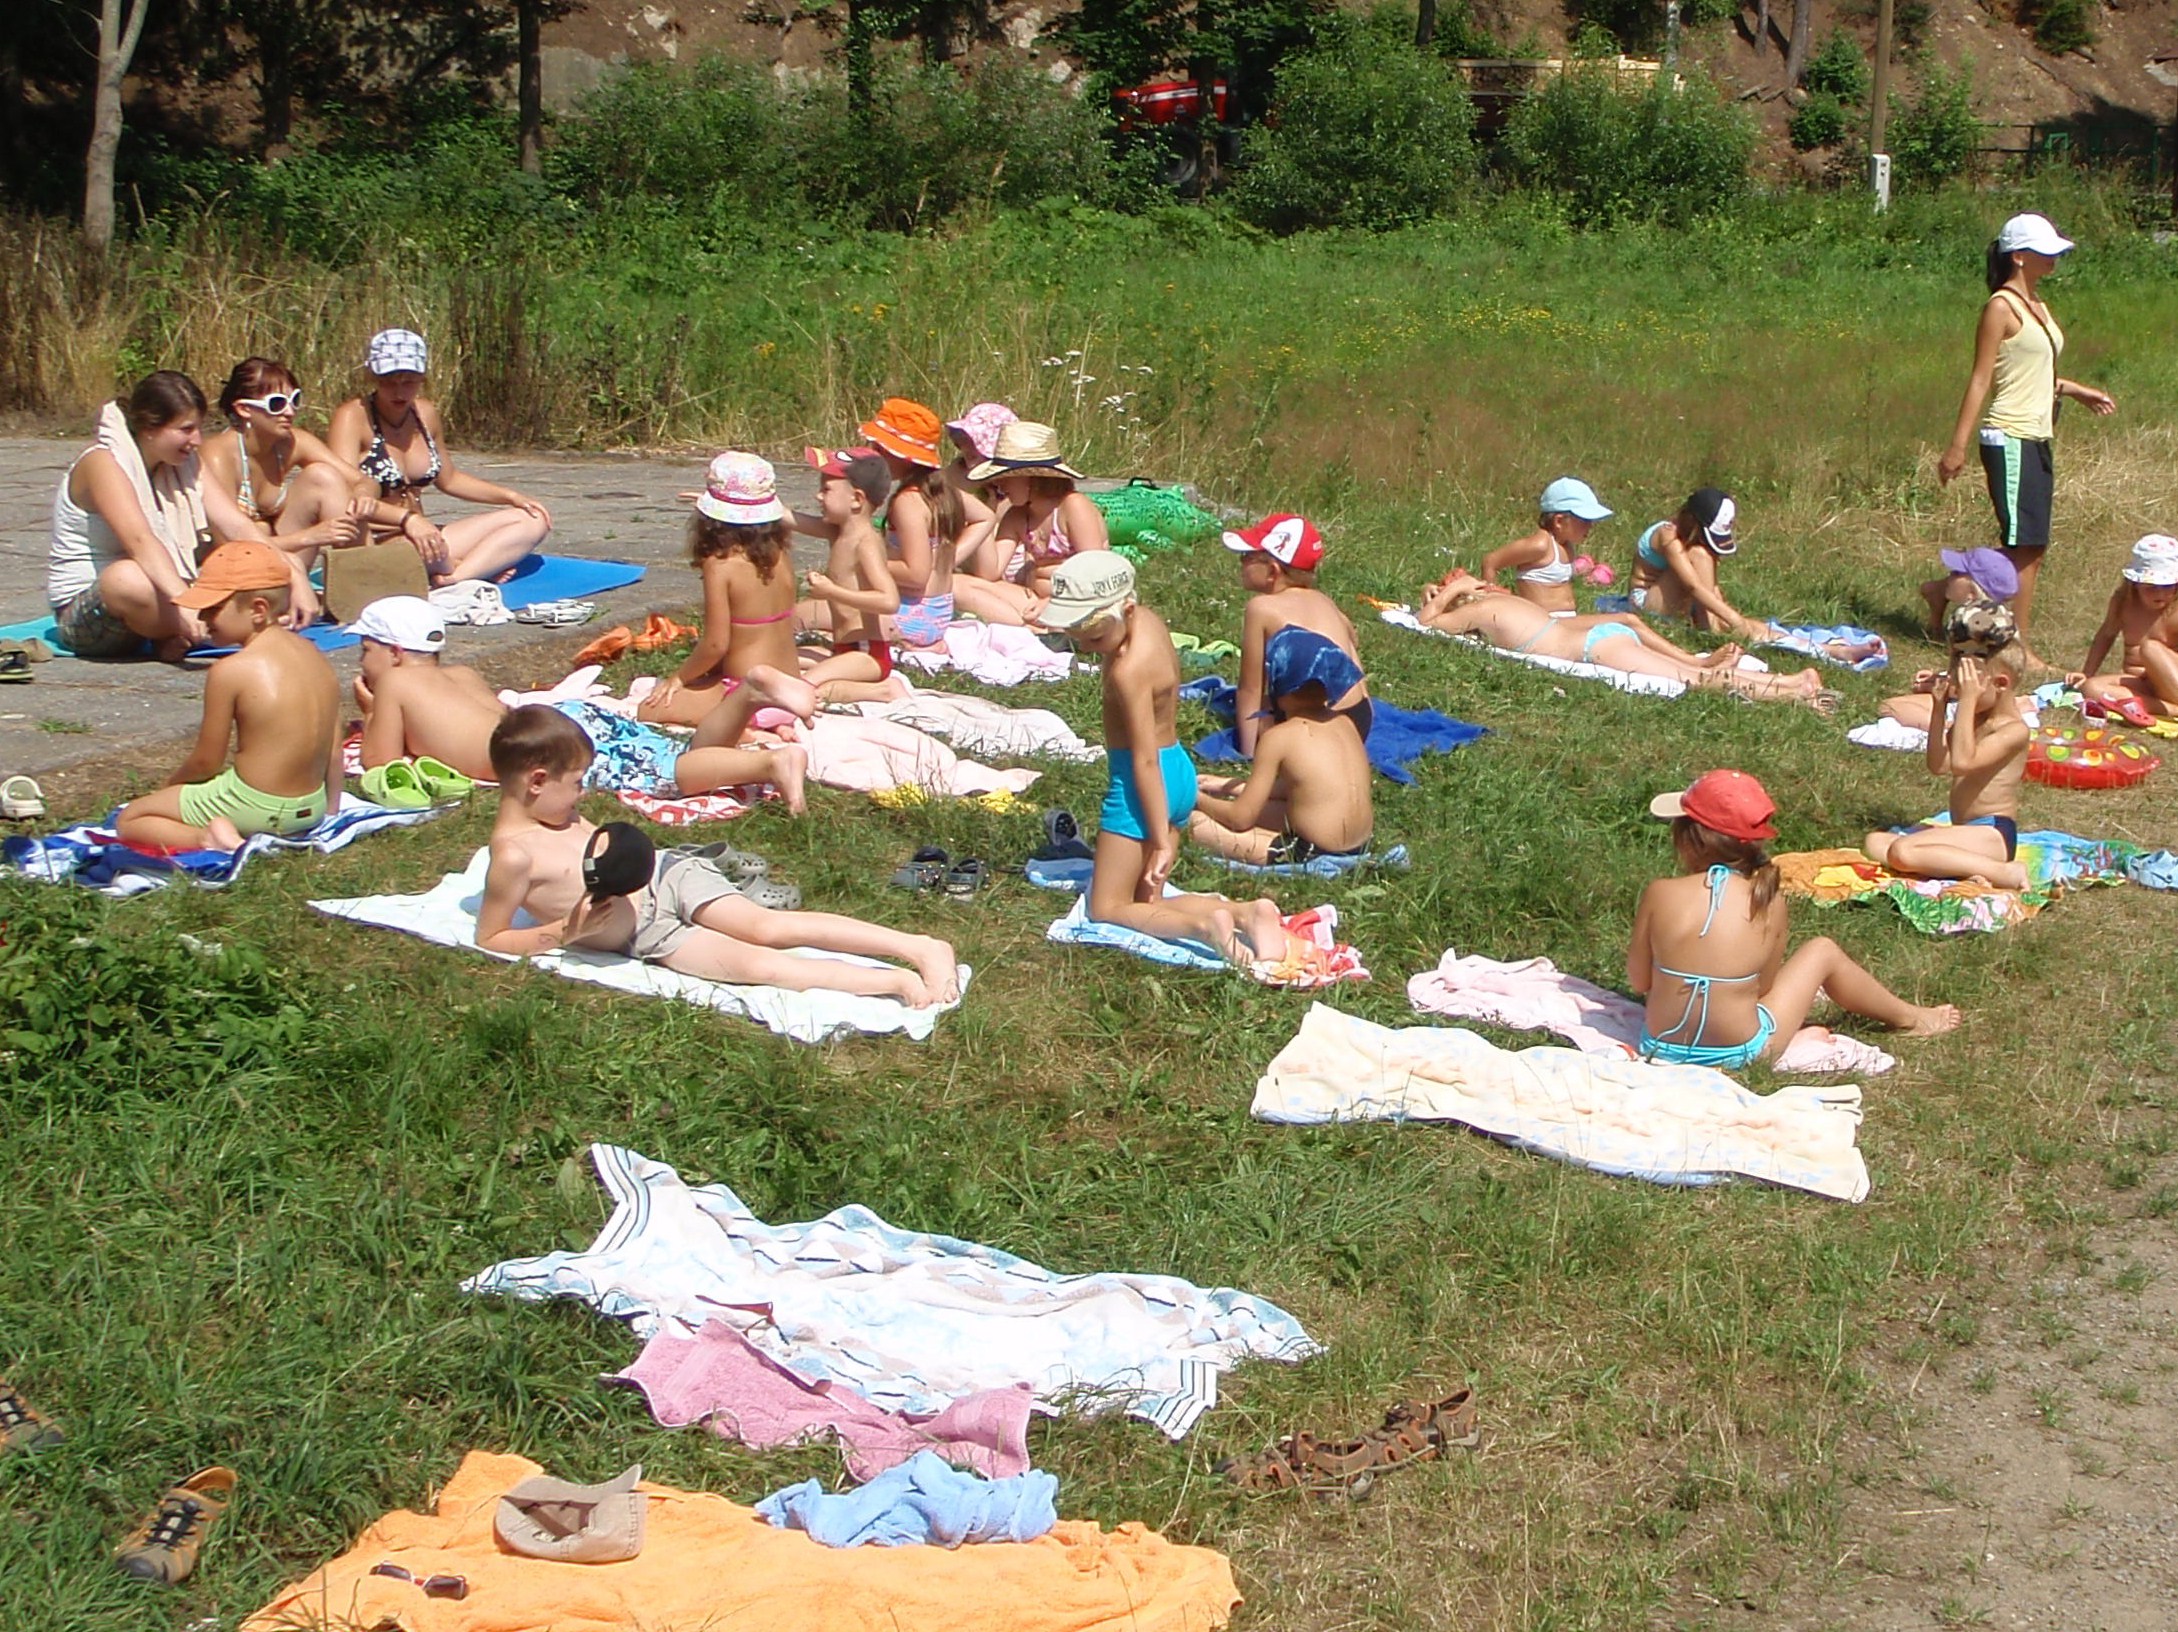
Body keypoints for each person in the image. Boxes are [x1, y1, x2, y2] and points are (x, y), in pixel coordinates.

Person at [474, 704, 957, 1005]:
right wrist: (565, 932)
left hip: (668, 874)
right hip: (648, 935)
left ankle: (920, 947)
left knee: (766, 927)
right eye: (577, 783)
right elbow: (492, 937)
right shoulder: (515, 857)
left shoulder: (553, 810)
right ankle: (893, 983)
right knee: (759, 967)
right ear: (537, 781)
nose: (582, 794)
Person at [1037, 553, 1297, 966]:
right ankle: (1245, 914)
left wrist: (1159, 841)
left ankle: (1204, 927)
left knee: (1107, 906)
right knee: (1148, 900)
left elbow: (1143, 760)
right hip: (1177, 769)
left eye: (1095, 639)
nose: (1086, 648)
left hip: (1142, 785)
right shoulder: (1149, 623)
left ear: (1126, 610)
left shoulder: (1127, 671)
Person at [1629, 769, 1961, 1069]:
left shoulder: (1660, 892)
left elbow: (1639, 981)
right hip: (1742, 1051)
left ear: (1691, 839)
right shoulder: (1768, 900)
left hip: (1661, 1044)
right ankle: (1911, 1018)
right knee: (1822, 950)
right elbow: (1764, 988)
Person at [1936, 212, 2116, 665]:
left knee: (2032, 545)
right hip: (2009, 436)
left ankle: (1946, 589)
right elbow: (1982, 379)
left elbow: (2032, 372)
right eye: (2044, 251)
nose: (2054, 258)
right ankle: (2015, 644)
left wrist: (2074, 390)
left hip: (2037, 435)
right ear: (2018, 256)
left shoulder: (2038, 304)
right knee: (2026, 548)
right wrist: (1957, 446)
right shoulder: (2001, 307)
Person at [48, 370, 319, 661]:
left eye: (199, 428)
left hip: (165, 591)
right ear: (149, 428)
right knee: (126, 578)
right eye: (186, 429)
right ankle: (227, 628)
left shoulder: (186, 463)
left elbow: (237, 526)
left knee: (257, 564)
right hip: (94, 611)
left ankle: (191, 631)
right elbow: (141, 543)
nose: (197, 440)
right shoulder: (102, 462)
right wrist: (189, 604)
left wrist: (294, 573)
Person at [114, 542, 340, 852]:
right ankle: (239, 830)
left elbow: (207, 762)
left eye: (214, 608)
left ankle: (210, 839)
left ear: (258, 610)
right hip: (311, 807)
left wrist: (169, 789)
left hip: (254, 806)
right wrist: (329, 810)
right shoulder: (314, 655)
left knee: (132, 818)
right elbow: (334, 748)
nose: (203, 617)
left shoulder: (231, 669)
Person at [1416, 569, 1836, 709]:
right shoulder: (1506, 603)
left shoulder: (1481, 611)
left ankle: (1793, 692)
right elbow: (1427, 618)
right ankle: (1790, 682)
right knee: (1691, 672)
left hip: (1595, 648)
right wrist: (1451, 592)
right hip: (1602, 636)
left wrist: (1449, 595)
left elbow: (1425, 623)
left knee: (1695, 681)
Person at [325, 328, 553, 585]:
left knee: (533, 519)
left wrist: (511, 496)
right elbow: (345, 498)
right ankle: (473, 567)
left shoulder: (425, 414)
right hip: (377, 540)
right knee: (442, 553)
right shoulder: (353, 417)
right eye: (388, 381)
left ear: (422, 378)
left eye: (408, 381)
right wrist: (408, 520)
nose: (399, 392)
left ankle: (455, 577)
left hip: (423, 534)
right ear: (372, 377)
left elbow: (450, 479)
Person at [1865, 601, 2031, 891]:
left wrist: (1966, 700)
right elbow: (1939, 765)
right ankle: (1964, 869)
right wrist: (1940, 708)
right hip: (1965, 831)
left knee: (1902, 852)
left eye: (1969, 685)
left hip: (1993, 834)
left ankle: (2005, 872)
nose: (1960, 689)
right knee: (1876, 843)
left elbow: (1963, 763)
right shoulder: (1973, 721)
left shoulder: (2014, 731)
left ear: (2001, 684)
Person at [637, 453, 807, 728]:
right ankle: (772, 726)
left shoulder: (720, 565)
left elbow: (715, 645)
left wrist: (678, 678)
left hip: (749, 696)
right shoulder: (779, 553)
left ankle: (747, 732)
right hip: (792, 689)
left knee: (648, 709)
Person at [1191, 628, 1373, 866]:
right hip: (1359, 844)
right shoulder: (1345, 722)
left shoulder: (1279, 737)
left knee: (1195, 823)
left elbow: (1240, 818)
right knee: (1278, 808)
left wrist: (1196, 798)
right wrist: (1229, 786)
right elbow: (1306, 787)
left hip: (1311, 851)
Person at [198, 358, 380, 568]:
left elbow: (364, 481)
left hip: (282, 556)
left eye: (295, 400)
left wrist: (364, 494)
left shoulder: (292, 442)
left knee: (322, 477)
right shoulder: (218, 454)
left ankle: (366, 573)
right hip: (234, 563)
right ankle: (366, 573)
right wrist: (310, 536)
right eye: (276, 404)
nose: (290, 412)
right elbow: (227, 544)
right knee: (262, 530)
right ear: (244, 409)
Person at [1224, 513, 1370, 756]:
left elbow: (1250, 690)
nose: (1241, 562)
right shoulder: (1324, 601)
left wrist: (1248, 752)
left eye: (1247, 556)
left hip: (1315, 727)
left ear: (1272, 571)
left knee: (1262, 708)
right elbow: (1353, 639)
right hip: (1359, 718)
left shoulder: (1260, 608)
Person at [951, 422, 1110, 626]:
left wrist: (1053, 602)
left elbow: (1096, 570)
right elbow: (989, 573)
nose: (999, 484)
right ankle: (1033, 630)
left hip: (1083, 601)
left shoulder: (1073, 506)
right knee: (955, 584)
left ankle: (1030, 627)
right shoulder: (1017, 516)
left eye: (1007, 478)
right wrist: (984, 516)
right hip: (1037, 599)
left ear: (1031, 479)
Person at [349, 597, 509, 782]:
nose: (361, 661)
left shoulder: (394, 680)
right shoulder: (464, 673)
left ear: (394, 653)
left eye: (365, 650)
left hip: (510, 760)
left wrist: (371, 712)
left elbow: (380, 762)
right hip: (527, 739)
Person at [792, 448, 901, 703]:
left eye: (826, 489)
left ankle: (885, 691)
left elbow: (889, 601)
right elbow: (786, 518)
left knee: (802, 688)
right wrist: (727, 502)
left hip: (867, 653)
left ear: (856, 499)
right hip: (845, 649)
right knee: (781, 663)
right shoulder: (839, 532)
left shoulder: (865, 542)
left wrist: (831, 592)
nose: (818, 495)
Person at [2067, 533, 2178, 725]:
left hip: (2172, 681)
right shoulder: (2123, 602)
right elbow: (2106, 634)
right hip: (2142, 684)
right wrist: (2087, 673)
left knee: (2150, 648)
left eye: (2167, 586)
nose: (2159, 593)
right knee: (2091, 688)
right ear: (2135, 584)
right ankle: (2168, 709)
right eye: (2151, 587)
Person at [1626, 488, 1766, 639]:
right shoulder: (1667, 535)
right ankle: (1709, 626)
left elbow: (1710, 587)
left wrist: (1728, 617)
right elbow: (1693, 585)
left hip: (1677, 599)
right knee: (1699, 554)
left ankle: (1714, 624)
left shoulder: (1691, 539)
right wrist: (1733, 619)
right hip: (1644, 601)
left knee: (1702, 555)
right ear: (1692, 521)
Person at [1481, 477, 1613, 615]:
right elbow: (1490, 561)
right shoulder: (1541, 545)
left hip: (1563, 620)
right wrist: (1492, 604)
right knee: (1624, 619)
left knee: (1617, 622)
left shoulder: (1566, 545)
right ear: (1559, 521)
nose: (1590, 526)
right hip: (1542, 621)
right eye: (1584, 520)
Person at [943, 402, 1018, 580]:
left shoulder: (1014, 500)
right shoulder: (959, 475)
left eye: (975, 449)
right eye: (963, 444)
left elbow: (987, 572)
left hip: (997, 573)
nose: (969, 464)